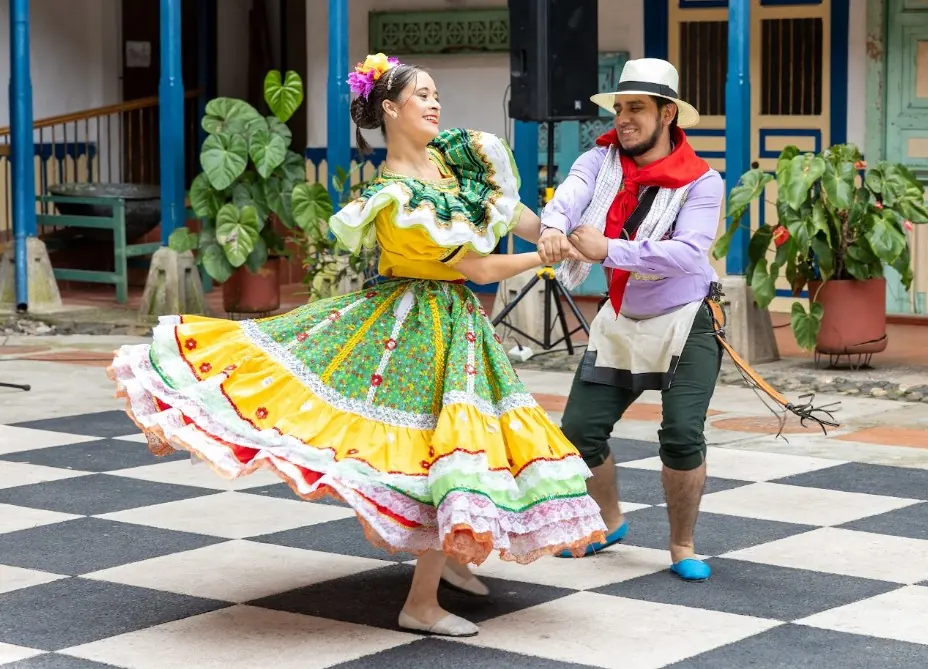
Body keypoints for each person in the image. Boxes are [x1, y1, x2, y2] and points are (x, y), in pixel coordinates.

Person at [106, 53, 606, 638]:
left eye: (435, 92)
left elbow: (510, 212)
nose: (434, 102)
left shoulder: (454, 161)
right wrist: (543, 257)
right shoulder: (394, 197)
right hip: (413, 330)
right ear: (390, 109)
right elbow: (476, 267)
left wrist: (551, 231)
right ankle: (420, 603)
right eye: (421, 94)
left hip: (454, 327)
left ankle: (446, 564)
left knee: (458, 447)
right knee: (434, 455)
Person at [536, 58, 836, 583]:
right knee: (579, 432)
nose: (624, 118)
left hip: (687, 319)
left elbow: (689, 252)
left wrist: (610, 248)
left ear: (667, 113)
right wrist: (554, 227)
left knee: (679, 433)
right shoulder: (598, 160)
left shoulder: (703, 180)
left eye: (637, 109)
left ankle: (681, 544)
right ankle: (608, 523)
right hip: (622, 314)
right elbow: (569, 197)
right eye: (620, 108)